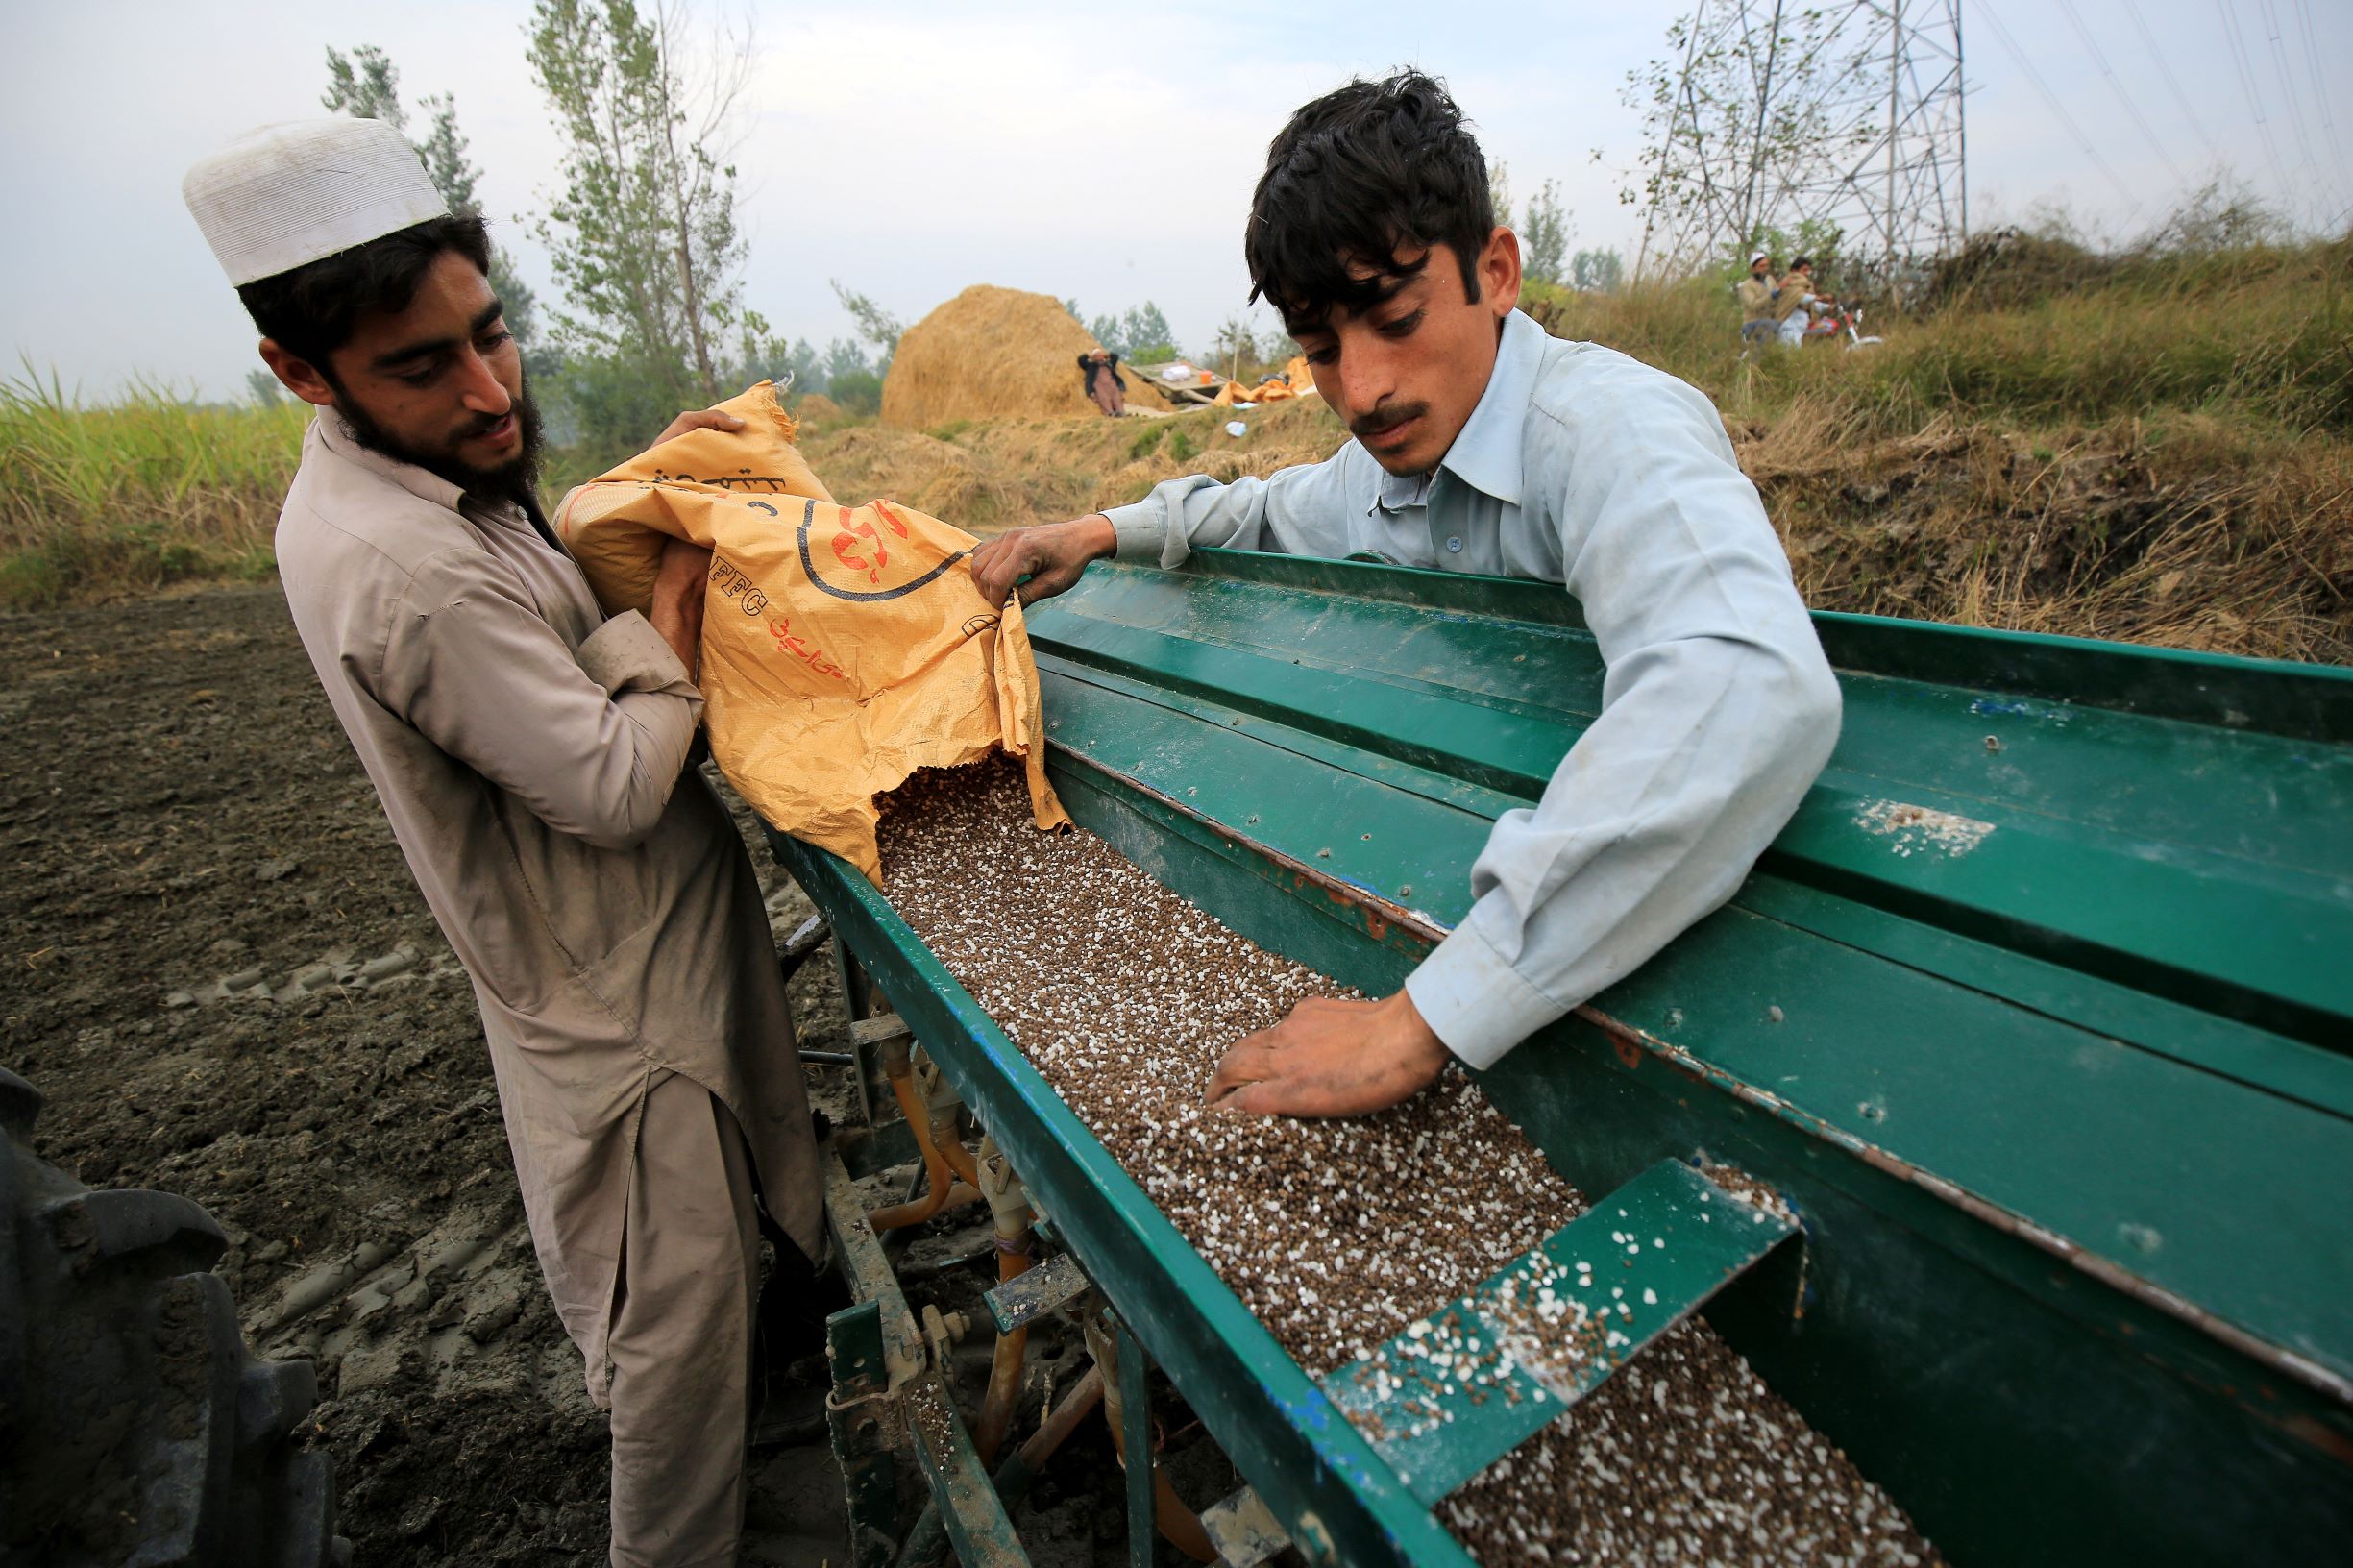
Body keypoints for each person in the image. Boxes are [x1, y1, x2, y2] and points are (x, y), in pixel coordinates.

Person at [182, 119, 821, 1568]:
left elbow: (561, 630)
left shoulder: (444, 483)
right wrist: (668, 630)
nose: (485, 390)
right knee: (676, 1339)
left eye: (494, 334)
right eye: (422, 366)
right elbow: (604, 786)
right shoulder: (399, 563)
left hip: (647, 954)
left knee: (738, 1289)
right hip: (620, 1009)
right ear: (301, 371)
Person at [970, 72, 1841, 1120]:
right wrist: (1102, 530)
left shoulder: (1612, 435)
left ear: (1497, 270)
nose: (1363, 389)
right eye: (1322, 352)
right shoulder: (1392, 468)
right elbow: (1268, 512)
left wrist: (1422, 1019)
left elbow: (1744, 687)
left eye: (1393, 317)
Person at [1777, 255, 1831, 348]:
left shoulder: (1805, 285)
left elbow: (1811, 305)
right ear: (1795, 270)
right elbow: (1800, 298)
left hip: (1799, 327)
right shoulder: (1790, 282)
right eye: (1804, 270)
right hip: (1789, 326)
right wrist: (1819, 297)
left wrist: (1828, 307)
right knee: (1788, 356)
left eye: (1808, 270)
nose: (1807, 273)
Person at [1735, 250, 1783, 351]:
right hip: (1752, 324)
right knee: (1770, 327)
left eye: (1766, 266)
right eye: (1762, 266)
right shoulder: (1746, 286)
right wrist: (1770, 296)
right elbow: (1754, 305)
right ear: (1753, 268)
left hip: (1770, 321)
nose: (1765, 269)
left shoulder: (1770, 279)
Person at [1079, 347, 1128, 415]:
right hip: (1100, 386)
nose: (1100, 356)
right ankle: (1110, 413)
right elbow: (1081, 360)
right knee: (1104, 399)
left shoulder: (1109, 363)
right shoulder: (1090, 366)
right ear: (1094, 357)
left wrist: (1106, 355)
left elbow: (1115, 356)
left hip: (1112, 384)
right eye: (1097, 355)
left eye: (1101, 355)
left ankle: (1120, 412)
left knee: (1117, 398)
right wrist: (1089, 356)